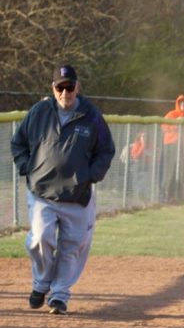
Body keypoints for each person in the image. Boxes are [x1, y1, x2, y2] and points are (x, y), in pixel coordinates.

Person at [10, 64, 116, 315]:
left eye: (70, 87)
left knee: (73, 246)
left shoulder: (92, 116)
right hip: (42, 192)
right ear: (53, 88)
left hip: (77, 195)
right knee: (39, 239)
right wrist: (27, 167)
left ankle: (59, 294)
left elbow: (106, 150)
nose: (65, 92)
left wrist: (91, 176)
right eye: (60, 87)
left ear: (77, 87)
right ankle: (42, 282)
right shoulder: (39, 112)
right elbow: (18, 143)